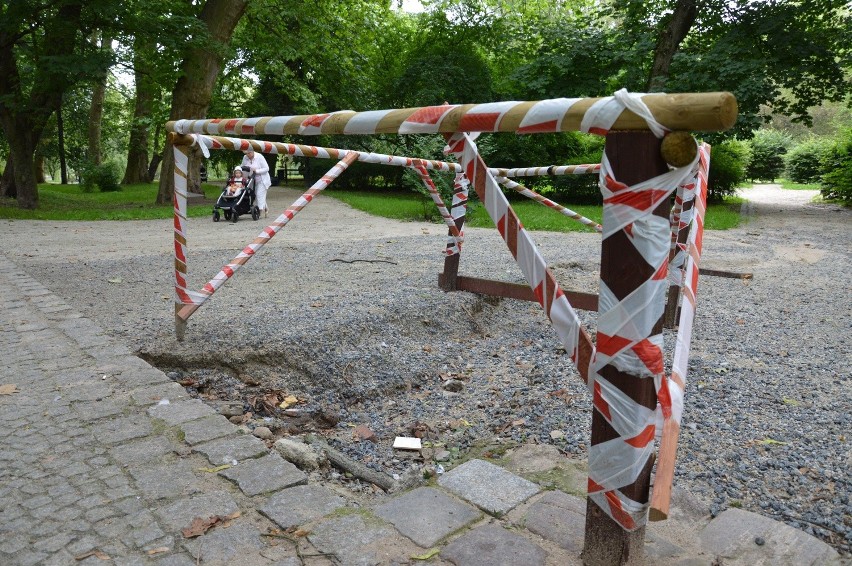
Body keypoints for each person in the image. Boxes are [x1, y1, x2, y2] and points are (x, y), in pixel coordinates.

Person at [241, 148, 271, 217]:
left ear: (253, 151)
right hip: (251, 180)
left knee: (259, 194)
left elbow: (267, 168)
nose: (248, 155)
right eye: (246, 153)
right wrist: (238, 171)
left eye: (249, 153)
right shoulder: (245, 157)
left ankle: (259, 212)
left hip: (262, 180)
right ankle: (265, 208)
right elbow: (242, 166)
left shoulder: (259, 157)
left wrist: (256, 171)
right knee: (256, 195)